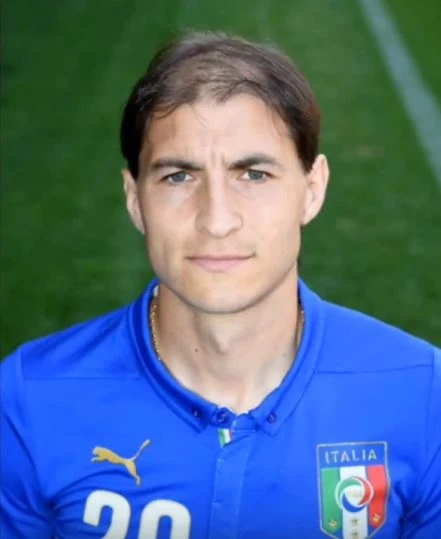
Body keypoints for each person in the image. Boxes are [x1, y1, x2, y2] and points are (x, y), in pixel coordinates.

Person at [1, 31, 440, 539]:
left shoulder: (422, 395)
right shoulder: (29, 398)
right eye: (178, 177)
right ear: (135, 200)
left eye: (253, 175)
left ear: (312, 190)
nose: (216, 219)